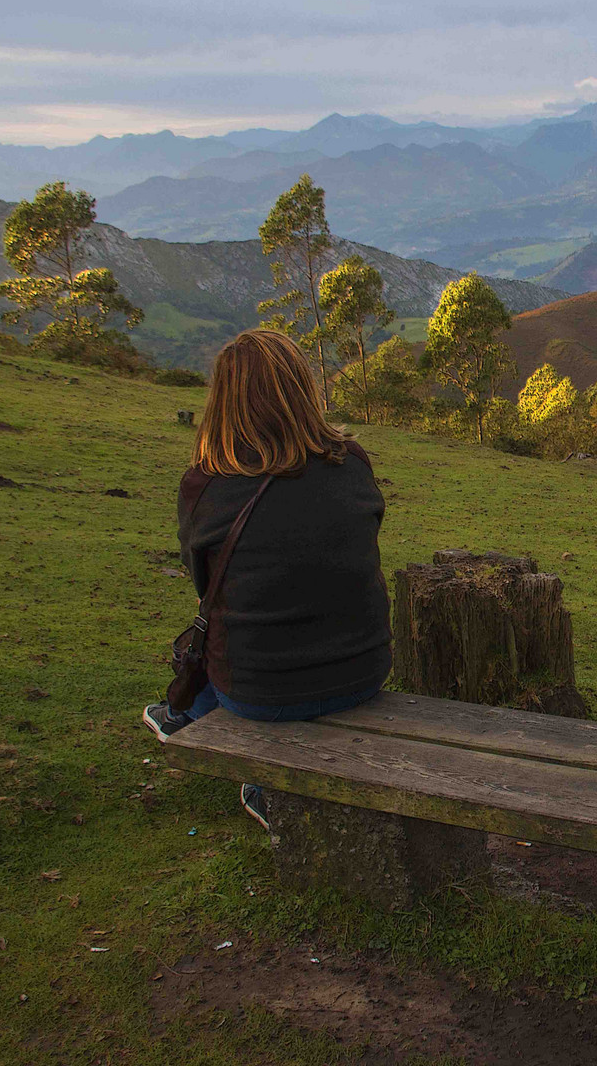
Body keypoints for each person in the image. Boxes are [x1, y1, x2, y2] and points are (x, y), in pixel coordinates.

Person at [142, 329, 392, 831]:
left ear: (223, 401)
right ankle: (194, 721)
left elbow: (204, 586)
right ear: (301, 388)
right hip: (364, 674)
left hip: (260, 693)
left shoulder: (206, 486)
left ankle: (218, 740)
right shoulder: (353, 463)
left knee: (228, 630)